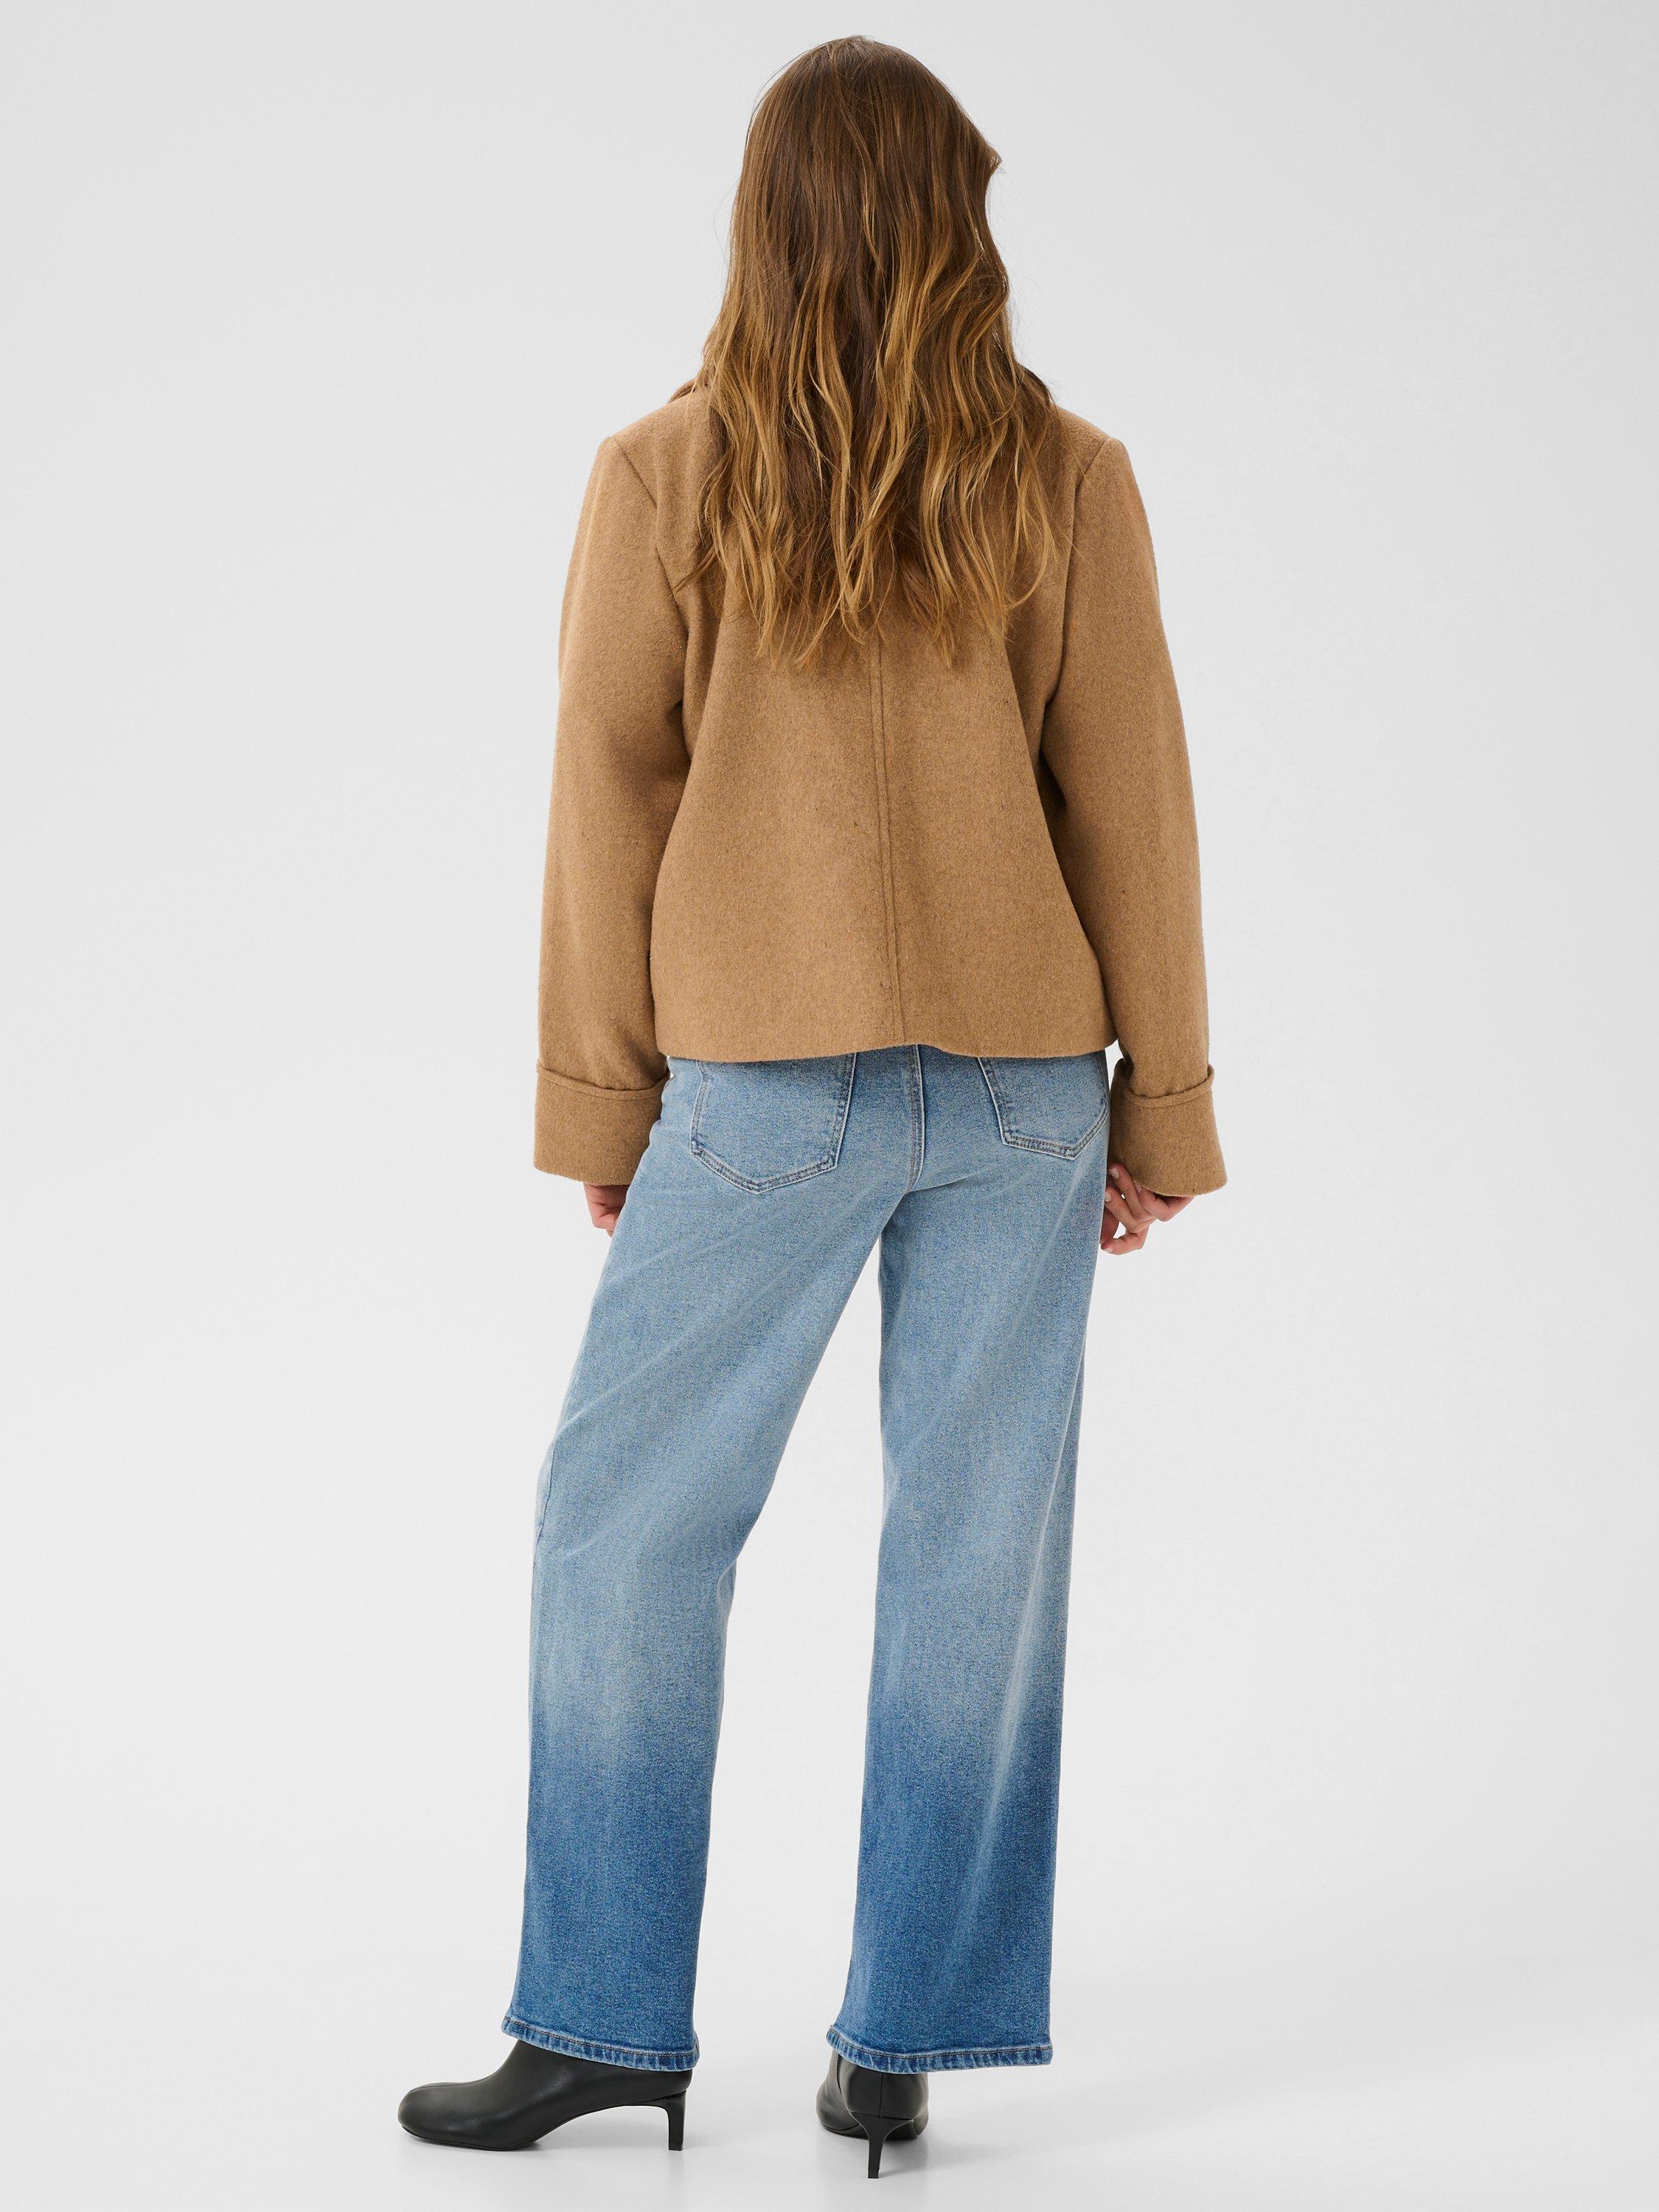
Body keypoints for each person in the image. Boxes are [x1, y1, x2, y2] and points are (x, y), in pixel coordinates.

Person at [398, 34, 1224, 2178]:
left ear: (760, 222)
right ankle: (904, 2044)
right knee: (976, 1559)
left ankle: (599, 2027)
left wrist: (606, 1114)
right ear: (961, 222)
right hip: (1028, 1091)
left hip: (761, 1085)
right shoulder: (1067, 474)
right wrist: (1160, 1110)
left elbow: (607, 799)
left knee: (626, 1528)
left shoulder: (665, 473)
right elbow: (1130, 804)